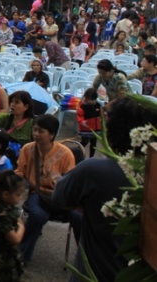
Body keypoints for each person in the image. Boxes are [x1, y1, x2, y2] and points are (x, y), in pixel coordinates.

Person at [51, 97, 149, 282]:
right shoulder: (148, 177)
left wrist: (88, 204)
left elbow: (60, 197)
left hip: (92, 274)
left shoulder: (93, 171)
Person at [15, 114, 80, 264]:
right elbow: (20, 172)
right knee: (38, 215)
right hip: (37, 193)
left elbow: (71, 182)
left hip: (61, 196)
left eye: (41, 131)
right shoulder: (27, 149)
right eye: (35, 130)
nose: (36, 134)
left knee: (78, 216)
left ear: (52, 134)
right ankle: (22, 255)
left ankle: (86, 257)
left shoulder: (66, 154)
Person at [77, 88, 102, 157]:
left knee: (93, 144)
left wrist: (103, 115)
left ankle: (91, 157)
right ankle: (77, 151)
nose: (94, 101)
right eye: (92, 100)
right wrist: (82, 122)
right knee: (84, 142)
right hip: (86, 129)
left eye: (95, 99)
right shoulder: (82, 107)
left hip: (95, 129)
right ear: (87, 99)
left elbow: (101, 114)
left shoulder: (97, 105)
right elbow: (79, 116)